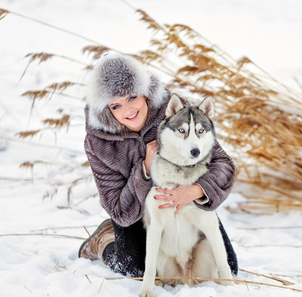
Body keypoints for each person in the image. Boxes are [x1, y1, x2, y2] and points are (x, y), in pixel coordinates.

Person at [78, 52, 238, 278]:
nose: (128, 110)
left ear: (145, 92)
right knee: (135, 269)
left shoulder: (174, 111)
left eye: (132, 97)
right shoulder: (98, 142)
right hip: (138, 213)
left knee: (227, 268)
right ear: (106, 109)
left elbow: (223, 164)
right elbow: (117, 208)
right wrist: (143, 169)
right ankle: (103, 241)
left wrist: (195, 191)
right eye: (116, 105)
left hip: (187, 202)